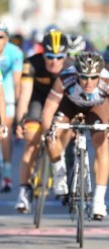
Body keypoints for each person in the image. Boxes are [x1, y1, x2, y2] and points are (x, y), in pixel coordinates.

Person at [40, 51, 109, 219]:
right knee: (52, 136)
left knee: (101, 144)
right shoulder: (65, 78)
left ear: (100, 75)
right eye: (84, 77)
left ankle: (99, 200)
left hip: (96, 108)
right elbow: (48, 109)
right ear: (76, 73)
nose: (88, 82)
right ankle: (59, 173)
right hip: (69, 105)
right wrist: (48, 131)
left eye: (93, 77)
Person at [14, 30, 70, 213]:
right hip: (37, 101)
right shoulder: (31, 63)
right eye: (50, 56)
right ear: (43, 53)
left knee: (59, 135)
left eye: (59, 57)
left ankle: (58, 167)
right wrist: (21, 121)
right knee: (31, 142)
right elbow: (24, 96)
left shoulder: (71, 67)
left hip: (61, 103)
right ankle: (24, 190)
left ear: (66, 56)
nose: (54, 61)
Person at [0, 22, 24, 192]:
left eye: (0, 37)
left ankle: (7, 172)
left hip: (6, 93)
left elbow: (17, 82)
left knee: (5, 130)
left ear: (7, 38)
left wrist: (17, 105)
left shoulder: (15, 53)